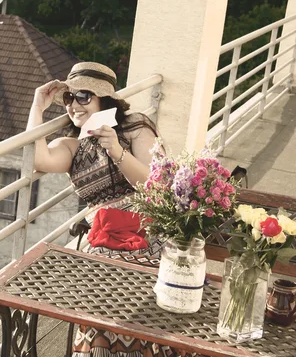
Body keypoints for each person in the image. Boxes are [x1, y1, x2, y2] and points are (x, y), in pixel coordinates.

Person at [27, 62, 197, 357]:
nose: (74, 106)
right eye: (69, 98)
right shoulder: (70, 145)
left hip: (148, 224)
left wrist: (117, 151)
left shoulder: (135, 127)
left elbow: (157, 186)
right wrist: (37, 107)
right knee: (101, 295)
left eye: (84, 97)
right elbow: (38, 160)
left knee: (144, 293)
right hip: (105, 233)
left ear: (104, 100)